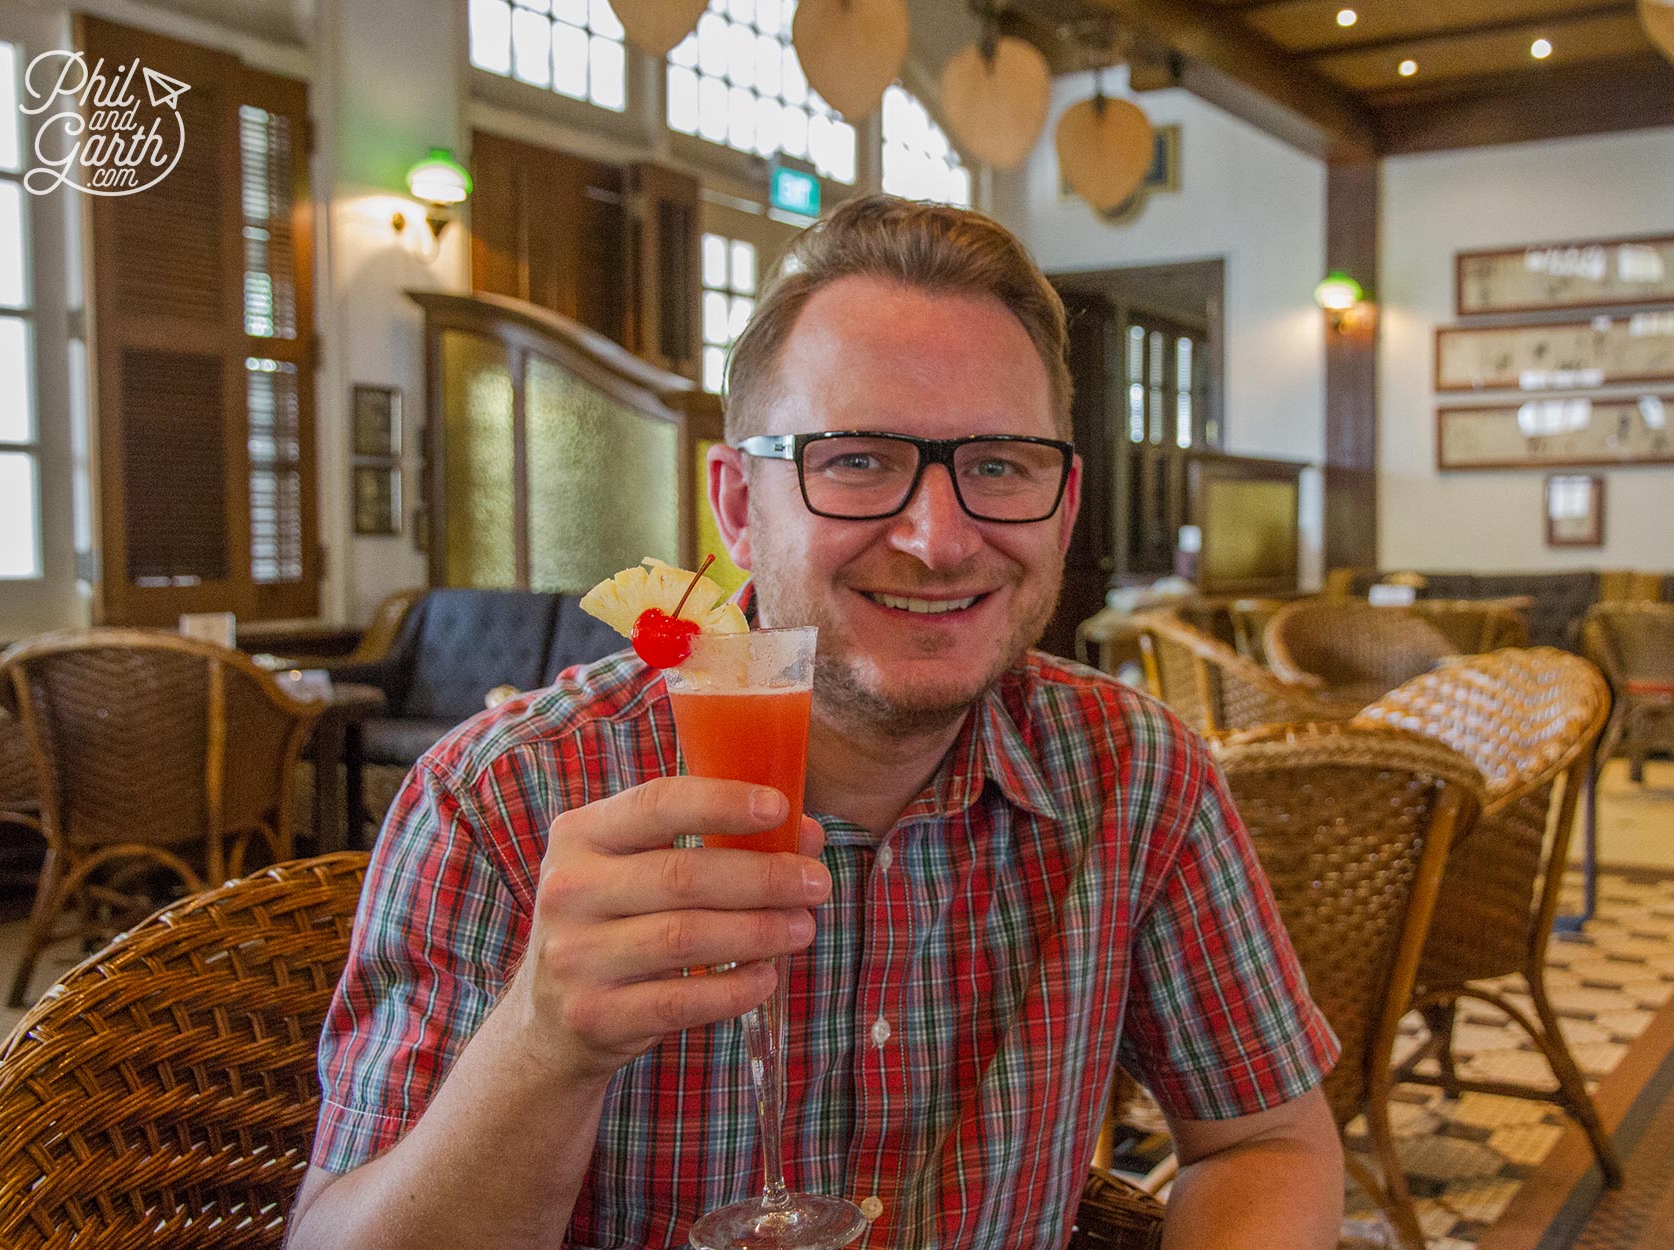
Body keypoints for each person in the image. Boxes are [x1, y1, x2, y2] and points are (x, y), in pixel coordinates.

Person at [286, 195, 1344, 1250]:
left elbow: (1266, 1141)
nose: (939, 538)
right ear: (739, 507)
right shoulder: (506, 798)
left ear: (1062, 509)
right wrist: (545, 1038)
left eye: (999, 465)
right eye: (858, 459)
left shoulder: (1136, 773)